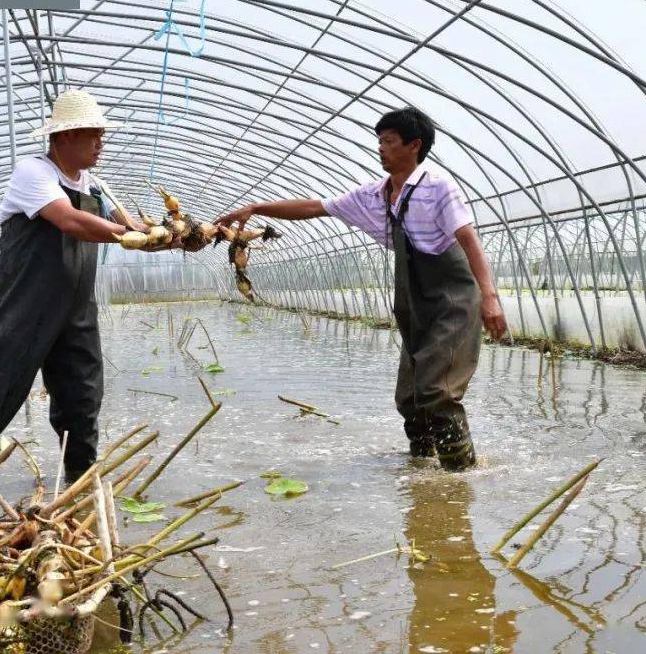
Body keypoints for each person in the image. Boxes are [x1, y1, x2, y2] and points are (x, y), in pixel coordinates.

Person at [216, 106, 506, 471]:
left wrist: (489, 298)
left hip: (453, 299)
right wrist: (257, 208)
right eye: (379, 141)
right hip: (414, 302)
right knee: (410, 397)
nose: (380, 148)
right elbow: (313, 207)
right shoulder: (375, 195)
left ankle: (460, 477)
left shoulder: (437, 187)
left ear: (414, 145)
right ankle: (423, 474)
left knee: (437, 390)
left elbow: (468, 239)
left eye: (388, 141)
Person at [0, 90, 149, 483]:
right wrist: (127, 234)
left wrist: (167, 234)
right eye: (93, 135)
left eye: (102, 135)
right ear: (65, 136)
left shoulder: (95, 185)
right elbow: (69, 220)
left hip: (77, 309)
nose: (101, 144)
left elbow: (131, 227)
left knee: (83, 395)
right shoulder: (33, 172)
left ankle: (80, 479)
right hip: (29, 307)